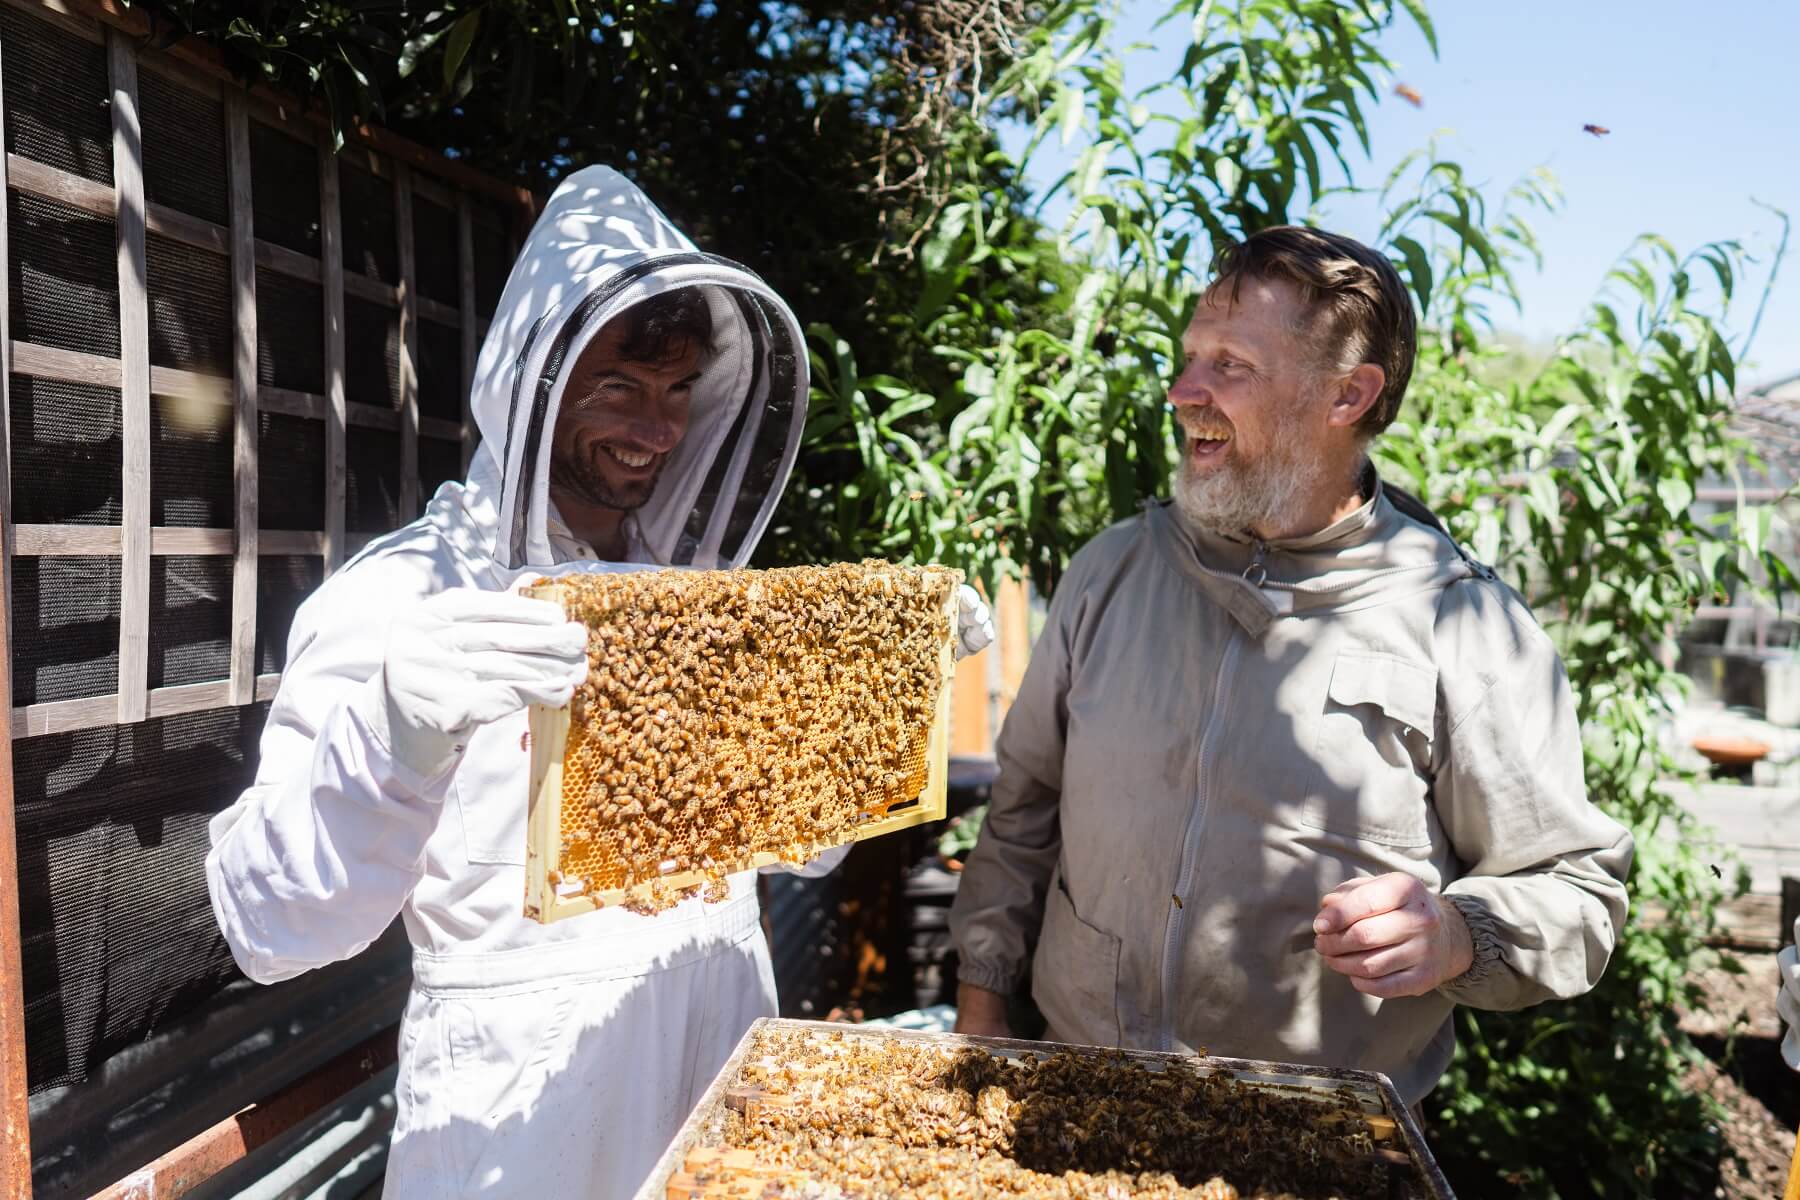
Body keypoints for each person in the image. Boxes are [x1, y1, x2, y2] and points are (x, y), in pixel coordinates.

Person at [206, 165, 993, 1198]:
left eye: (677, 392)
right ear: (532, 384)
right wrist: (394, 727)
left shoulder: (700, 601)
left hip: (724, 1084)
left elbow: (806, 848)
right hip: (517, 1132)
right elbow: (273, 926)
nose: (655, 429)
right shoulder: (405, 595)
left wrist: (885, 696)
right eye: (619, 386)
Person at [947, 225, 1633, 1107]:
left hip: (1312, 1138)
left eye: (1229, 365)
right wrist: (981, 1007)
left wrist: (1458, 935)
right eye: (1190, 356)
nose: (1181, 392)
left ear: (1347, 394)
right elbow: (1023, 809)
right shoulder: (1110, 572)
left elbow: (1577, 892)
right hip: (1080, 1105)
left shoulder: (1462, 623)